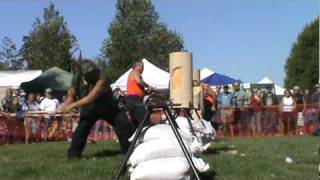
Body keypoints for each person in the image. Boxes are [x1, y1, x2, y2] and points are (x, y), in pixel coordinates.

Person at [60, 59, 135, 159]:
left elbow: (90, 97)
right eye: (92, 74)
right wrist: (65, 106)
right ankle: (73, 156)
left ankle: (130, 153)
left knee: (123, 125)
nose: (95, 74)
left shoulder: (103, 77)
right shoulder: (77, 78)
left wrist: (71, 106)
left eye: (95, 71)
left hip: (109, 108)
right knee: (81, 131)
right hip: (90, 110)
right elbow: (71, 95)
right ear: (84, 75)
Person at [126, 61, 152, 128]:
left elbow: (140, 90)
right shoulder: (134, 72)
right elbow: (139, 82)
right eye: (142, 66)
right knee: (145, 118)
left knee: (136, 122)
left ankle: (135, 136)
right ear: (137, 67)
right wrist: (148, 86)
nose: (143, 68)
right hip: (133, 99)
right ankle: (146, 135)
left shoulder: (139, 76)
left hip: (135, 99)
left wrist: (148, 92)